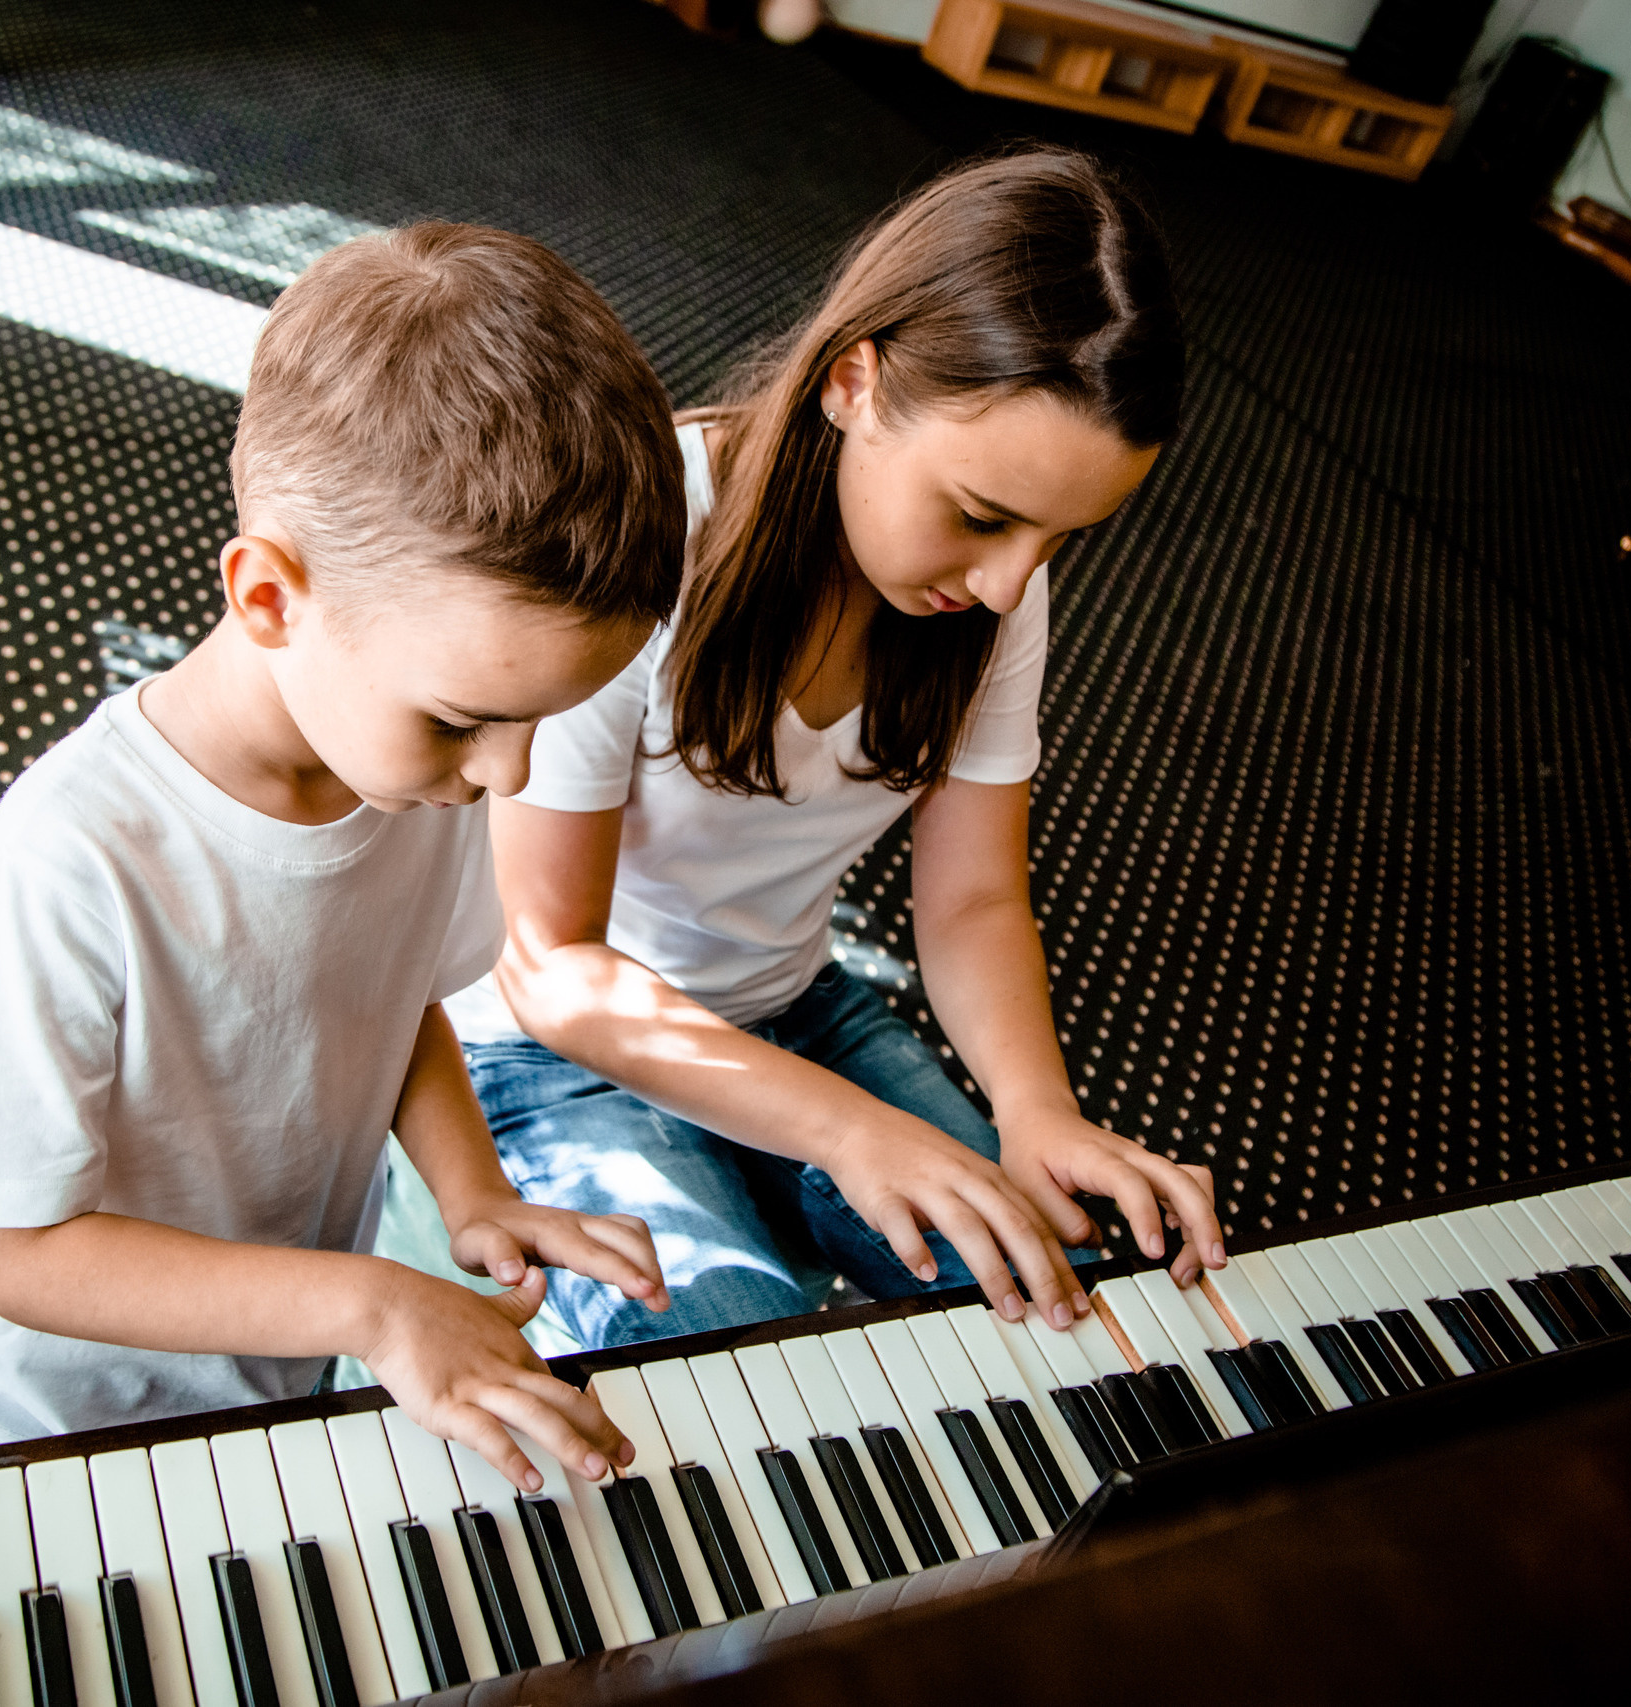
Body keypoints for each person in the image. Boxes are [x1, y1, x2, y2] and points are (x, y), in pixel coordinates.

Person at [0, 223, 685, 1493]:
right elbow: (17, 1255)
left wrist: (470, 1196)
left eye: (546, 719)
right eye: (467, 717)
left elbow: (397, 994)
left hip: (271, 1369)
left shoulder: (413, 771)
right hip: (42, 1417)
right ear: (269, 597)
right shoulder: (67, 867)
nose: (509, 776)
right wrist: (368, 1306)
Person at [444, 149, 1226, 1354]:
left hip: (791, 1007)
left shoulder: (996, 591)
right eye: (981, 516)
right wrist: (844, 1130)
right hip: (558, 1054)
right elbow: (552, 963)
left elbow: (970, 900)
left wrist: (1038, 1113)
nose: (1015, 578)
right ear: (852, 383)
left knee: (1067, 1306)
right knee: (728, 1360)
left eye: (1064, 539)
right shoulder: (648, 536)